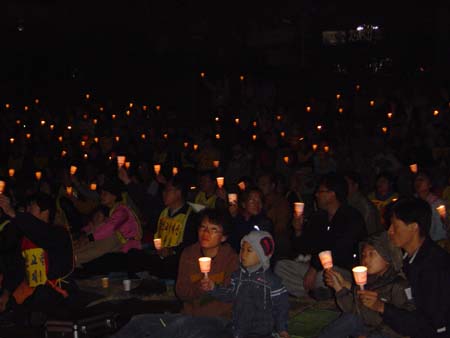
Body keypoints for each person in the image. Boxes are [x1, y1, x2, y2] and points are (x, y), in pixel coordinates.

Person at [275, 173, 367, 298]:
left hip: (343, 270)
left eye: (320, 191)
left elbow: (340, 250)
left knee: (322, 277)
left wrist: (314, 268)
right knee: (281, 267)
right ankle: (316, 293)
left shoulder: (351, 217)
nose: (316, 195)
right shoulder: (319, 217)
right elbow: (305, 248)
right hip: (316, 269)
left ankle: (319, 292)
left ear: (332, 194)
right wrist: (298, 230)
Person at [318, 232, 414, 338]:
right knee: (350, 318)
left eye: (371, 254)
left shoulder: (399, 285)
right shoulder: (368, 281)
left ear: (387, 257)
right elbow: (354, 310)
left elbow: (405, 321)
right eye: (363, 255)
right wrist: (339, 288)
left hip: (388, 333)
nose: (365, 260)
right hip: (367, 328)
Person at [379, 197, 450, 338]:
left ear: (414, 227)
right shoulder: (404, 258)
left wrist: (382, 308)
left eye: (395, 226)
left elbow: (431, 323)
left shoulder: (434, 266)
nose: (390, 231)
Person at [201, 230, 290, 338]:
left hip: (261, 332)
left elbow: (281, 307)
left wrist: (282, 329)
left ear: (262, 255)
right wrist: (213, 287)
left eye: (249, 250)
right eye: (242, 249)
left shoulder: (271, 282)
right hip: (238, 328)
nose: (243, 254)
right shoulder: (238, 276)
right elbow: (230, 294)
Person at [0, 193, 74, 321]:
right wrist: (6, 293)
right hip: (30, 291)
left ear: (45, 212)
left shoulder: (59, 234)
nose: (27, 210)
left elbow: (42, 233)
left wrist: (13, 213)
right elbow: (16, 267)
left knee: (39, 299)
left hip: (54, 293)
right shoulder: (26, 236)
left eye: (31, 207)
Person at [176, 208, 239, 318]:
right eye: (203, 227)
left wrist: (214, 288)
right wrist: (198, 287)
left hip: (220, 320)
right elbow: (181, 292)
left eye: (213, 229)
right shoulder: (189, 254)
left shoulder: (231, 258)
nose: (206, 233)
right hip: (190, 317)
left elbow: (232, 294)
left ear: (223, 237)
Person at [74, 179, 142, 266]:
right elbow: (97, 225)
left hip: (128, 247)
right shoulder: (110, 210)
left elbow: (110, 228)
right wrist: (83, 233)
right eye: (101, 193)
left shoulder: (122, 211)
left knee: (105, 238)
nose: (101, 196)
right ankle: (72, 255)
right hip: (116, 244)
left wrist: (89, 238)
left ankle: (74, 259)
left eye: (105, 194)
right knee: (92, 235)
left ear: (114, 196)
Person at [228, 188, 273, 252]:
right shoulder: (238, 218)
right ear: (243, 204)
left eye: (259, 201)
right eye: (252, 201)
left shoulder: (265, 222)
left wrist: (235, 217)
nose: (257, 204)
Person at [345, 171, 383, 235]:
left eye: (347, 184)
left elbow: (371, 232)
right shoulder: (346, 201)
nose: (344, 187)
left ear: (355, 186)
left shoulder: (365, 207)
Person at [413, 171, 447, 241]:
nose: (418, 182)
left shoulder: (437, 204)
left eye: (421, 179)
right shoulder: (412, 201)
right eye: (416, 179)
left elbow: (440, 229)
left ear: (430, 184)